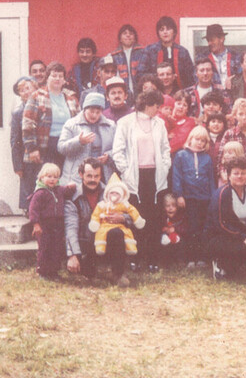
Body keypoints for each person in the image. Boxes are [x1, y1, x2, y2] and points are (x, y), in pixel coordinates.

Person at [112, 89, 171, 272]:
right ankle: (134, 258)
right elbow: (118, 150)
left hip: (155, 176)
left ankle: (153, 259)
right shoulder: (126, 122)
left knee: (154, 219)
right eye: (156, 106)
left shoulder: (159, 123)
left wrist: (165, 165)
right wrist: (126, 171)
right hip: (134, 178)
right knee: (136, 217)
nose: (158, 110)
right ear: (147, 105)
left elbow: (165, 149)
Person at [65, 158, 132, 286]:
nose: (93, 180)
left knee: (117, 232)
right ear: (81, 175)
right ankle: (90, 268)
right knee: (87, 274)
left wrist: (123, 218)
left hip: (107, 238)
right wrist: (72, 255)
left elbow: (131, 213)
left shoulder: (111, 192)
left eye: (96, 176)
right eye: (89, 176)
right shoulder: (74, 197)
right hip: (86, 242)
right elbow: (70, 227)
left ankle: (118, 274)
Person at [23, 62, 81, 169]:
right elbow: (28, 124)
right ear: (47, 78)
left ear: (64, 80)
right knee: (46, 180)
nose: (57, 79)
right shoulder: (36, 96)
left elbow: (79, 122)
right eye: (54, 76)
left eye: (60, 76)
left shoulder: (72, 97)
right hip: (45, 146)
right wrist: (32, 148)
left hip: (66, 145)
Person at [172, 126, 215, 268]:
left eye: (203, 141)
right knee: (191, 227)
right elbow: (177, 176)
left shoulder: (207, 158)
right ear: (190, 139)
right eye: (197, 139)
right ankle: (190, 258)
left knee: (203, 227)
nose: (200, 143)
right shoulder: (181, 155)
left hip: (204, 198)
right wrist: (179, 195)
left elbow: (211, 179)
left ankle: (201, 257)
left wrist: (213, 198)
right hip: (188, 197)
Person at [28, 163, 76, 280]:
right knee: (45, 248)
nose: (52, 179)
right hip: (44, 225)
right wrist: (36, 224)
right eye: (49, 176)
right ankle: (43, 272)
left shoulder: (59, 190)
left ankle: (53, 272)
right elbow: (33, 210)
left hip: (57, 225)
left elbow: (67, 192)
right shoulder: (40, 193)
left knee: (56, 248)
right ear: (41, 177)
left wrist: (71, 187)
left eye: (55, 177)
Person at [58, 92, 116, 185]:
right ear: (85, 109)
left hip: (103, 175)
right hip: (76, 176)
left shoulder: (111, 125)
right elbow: (61, 148)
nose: (94, 115)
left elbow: (118, 149)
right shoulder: (71, 124)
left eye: (98, 112)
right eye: (91, 111)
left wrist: (108, 156)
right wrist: (79, 141)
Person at [88, 173, 146, 256]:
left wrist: (138, 220)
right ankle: (100, 248)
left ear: (122, 195)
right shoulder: (103, 204)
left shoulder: (124, 204)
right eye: (112, 193)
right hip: (105, 225)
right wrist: (95, 222)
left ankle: (130, 247)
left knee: (127, 233)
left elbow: (133, 211)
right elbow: (96, 214)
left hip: (120, 225)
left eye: (117, 193)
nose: (114, 195)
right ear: (107, 194)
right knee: (101, 233)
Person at [140, 16, 195, 89]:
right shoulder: (149, 50)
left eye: (168, 29)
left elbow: (190, 76)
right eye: (162, 29)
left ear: (174, 31)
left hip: (180, 92)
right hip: (156, 93)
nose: (165, 32)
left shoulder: (183, 52)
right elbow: (141, 74)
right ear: (158, 33)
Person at [11, 76, 37, 212]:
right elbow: (15, 141)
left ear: (34, 88)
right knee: (29, 192)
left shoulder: (42, 106)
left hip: (42, 155)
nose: (26, 92)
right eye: (22, 90)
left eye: (28, 88)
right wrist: (18, 166)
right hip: (26, 160)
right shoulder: (18, 113)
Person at [105, 24, 145, 93]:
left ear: (135, 37)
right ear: (120, 38)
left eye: (131, 33)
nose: (128, 35)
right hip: (122, 92)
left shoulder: (143, 52)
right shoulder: (113, 56)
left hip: (141, 91)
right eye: (124, 33)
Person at [199, 24, 241, 88]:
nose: (209, 43)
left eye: (212, 40)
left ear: (221, 39)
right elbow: (197, 80)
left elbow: (242, 78)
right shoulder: (202, 58)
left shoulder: (235, 57)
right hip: (212, 96)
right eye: (208, 40)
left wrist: (233, 83)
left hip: (234, 95)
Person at [168, 90, 197, 155]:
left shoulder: (189, 122)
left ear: (187, 109)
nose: (181, 107)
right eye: (179, 103)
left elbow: (179, 141)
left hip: (174, 155)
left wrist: (163, 151)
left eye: (185, 105)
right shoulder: (166, 118)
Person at [205, 113, 228, 184]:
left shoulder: (226, 138)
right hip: (206, 174)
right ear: (208, 125)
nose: (216, 124)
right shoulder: (204, 138)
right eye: (213, 121)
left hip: (221, 175)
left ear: (224, 126)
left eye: (219, 122)